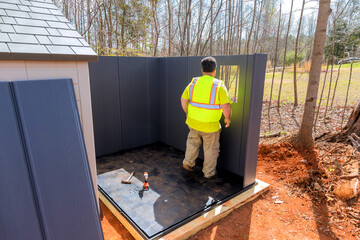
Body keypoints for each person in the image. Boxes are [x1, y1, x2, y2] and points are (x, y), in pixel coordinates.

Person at [180, 56, 232, 179]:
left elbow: (183, 100)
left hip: (193, 122)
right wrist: (227, 118)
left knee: (192, 144)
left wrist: (187, 112)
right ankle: (208, 173)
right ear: (215, 70)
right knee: (210, 149)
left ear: (202, 70)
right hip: (210, 125)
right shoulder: (219, 85)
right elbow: (226, 105)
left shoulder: (193, 83)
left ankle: (188, 163)